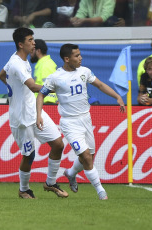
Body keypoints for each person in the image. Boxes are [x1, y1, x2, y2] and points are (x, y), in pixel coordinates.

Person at [36, 43, 126, 200]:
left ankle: (70, 173)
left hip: (86, 119)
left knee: (88, 155)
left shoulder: (85, 72)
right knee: (86, 156)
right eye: (76, 56)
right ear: (66, 59)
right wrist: (39, 115)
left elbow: (100, 84)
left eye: (80, 54)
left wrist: (117, 97)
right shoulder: (56, 77)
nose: (80, 58)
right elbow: (41, 95)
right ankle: (100, 191)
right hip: (70, 123)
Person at [0, 27, 68, 199]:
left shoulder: (20, 60)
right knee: (29, 155)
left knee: (58, 144)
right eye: (30, 40)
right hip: (21, 118)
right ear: (21, 44)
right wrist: (56, 89)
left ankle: (50, 182)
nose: (33, 42)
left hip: (34, 110)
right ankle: (24, 189)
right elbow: (32, 86)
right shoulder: (17, 64)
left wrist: (12, 87)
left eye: (33, 39)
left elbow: (1, 74)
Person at [30, 39, 58, 104]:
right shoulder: (43, 64)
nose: (30, 52)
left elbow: (48, 87)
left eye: (32, 50)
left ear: (38, 51)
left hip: (46, 105)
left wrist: (48, 104)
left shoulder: (45, 65)